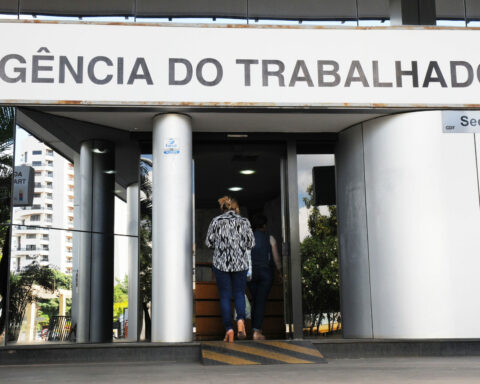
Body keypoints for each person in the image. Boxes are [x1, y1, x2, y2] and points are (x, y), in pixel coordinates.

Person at [205, 196, 255, 343]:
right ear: (236, 208)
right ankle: (240, 321)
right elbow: (251, 243)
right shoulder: (244, 222)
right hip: (240, 263)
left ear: (223, 209)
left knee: (225, 296)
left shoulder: (216, 221)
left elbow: (208, 242)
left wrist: (222, 245)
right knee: (239, 293)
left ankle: (229, 329)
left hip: (221, 264)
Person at [247, 214, 282, 341]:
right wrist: (280, 271)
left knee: (256, 300)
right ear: (264, 225)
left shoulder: (248, 238)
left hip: (251, 273)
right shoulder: (270, 238)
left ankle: (256, 329)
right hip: (265, 273)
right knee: (260, 301)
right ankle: (256, 331)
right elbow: (276, 258)